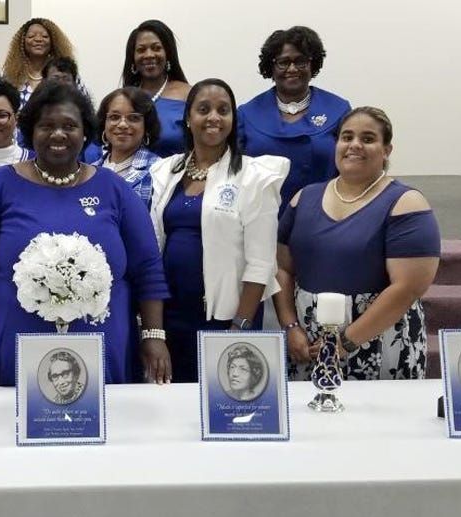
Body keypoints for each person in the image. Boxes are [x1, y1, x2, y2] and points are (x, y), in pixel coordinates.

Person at [0, 81, 171, 390]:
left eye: (69, 126)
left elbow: (148, 267)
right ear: (30, 131)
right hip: (15, 348)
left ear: (85, 132)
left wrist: (153, 336)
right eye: (46, 126)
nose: (58, 134)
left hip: (105, 347)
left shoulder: (113, 189)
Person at [275, 106, 441, 380]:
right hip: (307, 346)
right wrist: (291, 327)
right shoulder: (303, 198)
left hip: (381, 343)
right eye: (347, 137)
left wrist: (344, 342)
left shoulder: (406, 203)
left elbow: (408, 288)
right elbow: (282, 269)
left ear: (386, 150)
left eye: (368, 139)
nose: (354, 145)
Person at [149, 79, 288, 383]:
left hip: (226, 318)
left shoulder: (255, 176)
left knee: (224, 399)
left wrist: (240, 326)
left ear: (232, 120)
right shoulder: (165, 171)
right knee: (172, 399)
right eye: (204, 109)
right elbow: (155, 245)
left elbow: (262, 263)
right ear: (188, 118)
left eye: (223, 110)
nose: (214, 117)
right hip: (172, 313)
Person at [238, 26, 351, 212]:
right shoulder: (247, 113)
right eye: (283, 62)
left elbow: (351, 169)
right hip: (260, 217)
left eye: (301, 61)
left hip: (322, 214)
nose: (292, 69)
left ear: (312, 65)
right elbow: (234, 173)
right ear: (271, 67)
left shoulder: (338, 109)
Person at [120, 20, 191, 158]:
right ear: (133, 57)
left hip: (177, 171)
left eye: (156, 48)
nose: (149, 55)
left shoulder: (190, 95)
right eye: (141, 50)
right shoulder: (123, 98)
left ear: (168, 53)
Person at [92, 87, 161, 208]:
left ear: (146, 126)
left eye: (133, 118)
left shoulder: (159, 170)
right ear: (103, 123)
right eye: (114, 117)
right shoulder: (90, 170)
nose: (122, 124)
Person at [1, 18, 77, 106]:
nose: (38, 39)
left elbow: (82, 105)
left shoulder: (66, 73)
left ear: (53, 42)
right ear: (22, 42)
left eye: (44, 36)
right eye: (31, 36)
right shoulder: (10, 74)